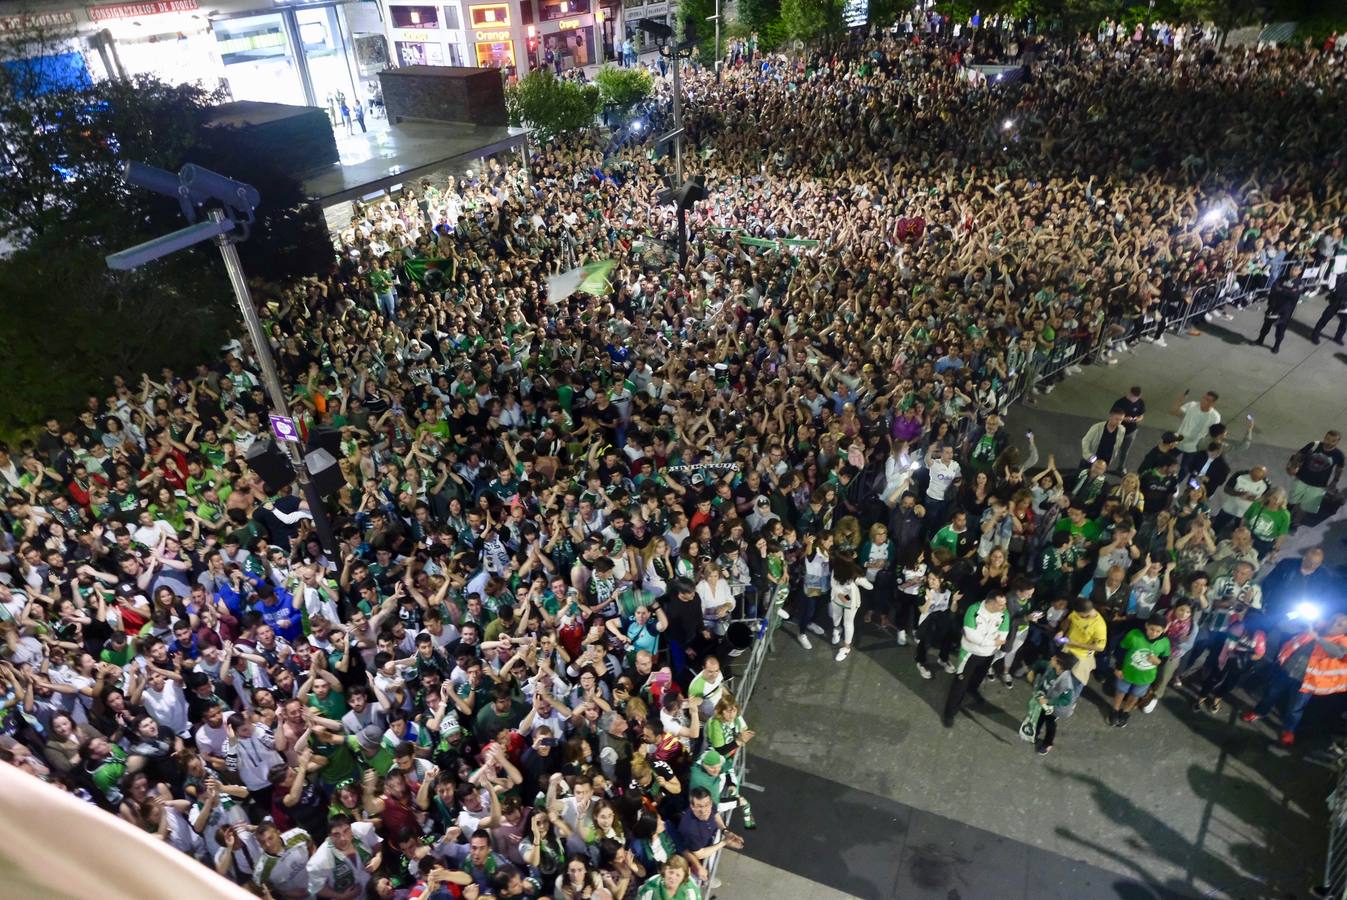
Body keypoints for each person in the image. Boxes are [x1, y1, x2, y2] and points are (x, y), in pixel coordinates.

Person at [1241, 612, 1347, 746]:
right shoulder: (1315, 627)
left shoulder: (1342, 641)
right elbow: (1286, 627)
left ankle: (1289, 730)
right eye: (1334, 619)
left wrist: (1318, 638)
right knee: (1269, 695)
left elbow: (1338, 652)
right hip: (1286, 672)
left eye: (1340, 624)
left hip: (1306, 682)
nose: (1334, 623)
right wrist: (1295, 617)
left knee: (1295, 709)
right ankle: (1258, 712)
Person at [942, 591, 1009, 727]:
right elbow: (970, 635)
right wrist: (992, 641)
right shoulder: (974, 609)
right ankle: (949, 713)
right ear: (990, 602)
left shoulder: (1004, 614)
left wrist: (984, 641)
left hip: (988, 654)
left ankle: (972, 690)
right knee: (959, 684)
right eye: (1000, 604)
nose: (1004, 606)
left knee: (978, 677)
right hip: (969, 654)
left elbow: (1002, 636)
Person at [1109, 615, 1171, 728]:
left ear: (1164, 630)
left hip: (1145, 677)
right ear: (1146, 625)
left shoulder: (1165, 642)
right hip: (1126, 672)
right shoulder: (1134, 634)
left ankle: (1126, 712)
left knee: (1135, 694)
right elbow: (1120, 651)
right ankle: (1115, 710)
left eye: (1158, 631)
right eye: (1152, 629)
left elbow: (1164, 659)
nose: (1154, 633)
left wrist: (1158, 661)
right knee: (1120, 691)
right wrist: (1118, 668)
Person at [1019, 652, 1081, 755]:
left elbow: (1066, 700)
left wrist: (1049, 701)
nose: (1051, 658)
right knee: (1039, 717)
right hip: (1043, 700)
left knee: (1050, 724)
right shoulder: (1051, 667)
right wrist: (1032, 670)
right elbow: (1039, 664)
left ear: (1059, 665)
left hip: (1053, 708)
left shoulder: (1066, 683)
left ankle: (1048, 743)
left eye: (1054, 659)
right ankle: (1034, 733)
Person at [1286, 431, 1344, 528]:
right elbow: (1299, 454)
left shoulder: (1338, 455)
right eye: (1327, 439)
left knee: (1306, 507)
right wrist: (1293, 466)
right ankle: (1285, 519)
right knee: (1292, 501)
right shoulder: (1314, 445)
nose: (1329, 442)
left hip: (1319, 486)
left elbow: (1339, 469)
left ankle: (1295, 523)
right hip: (1301, 479)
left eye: (1333, 441)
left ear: (1337, 442)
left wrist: (1334, 482)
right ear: (1324, 437)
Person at [829, 554, 872, 662]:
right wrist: (840, 595)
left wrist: (859, 581)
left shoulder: (855, 575)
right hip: (837, 599)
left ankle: (846, 647)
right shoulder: (836, 571)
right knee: (836, 616)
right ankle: (836, 630)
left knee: (848, 623)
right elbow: (833, 584)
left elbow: (870, 587)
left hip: (851, 602)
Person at [1251, 265, 1302, 354]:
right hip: (1274, 306)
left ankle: (1276, 346)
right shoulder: (1282, 278)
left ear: (1299, 272)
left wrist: (1282, 290)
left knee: (1280, 330)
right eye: (1292, 269)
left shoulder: (1300, 283)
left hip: (1285, 310)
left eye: (1295, 270)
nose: (1292, 271)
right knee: (1266, 326)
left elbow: (1294, 295)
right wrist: (1286, 291)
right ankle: (1260, 340)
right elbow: (1274, 287)